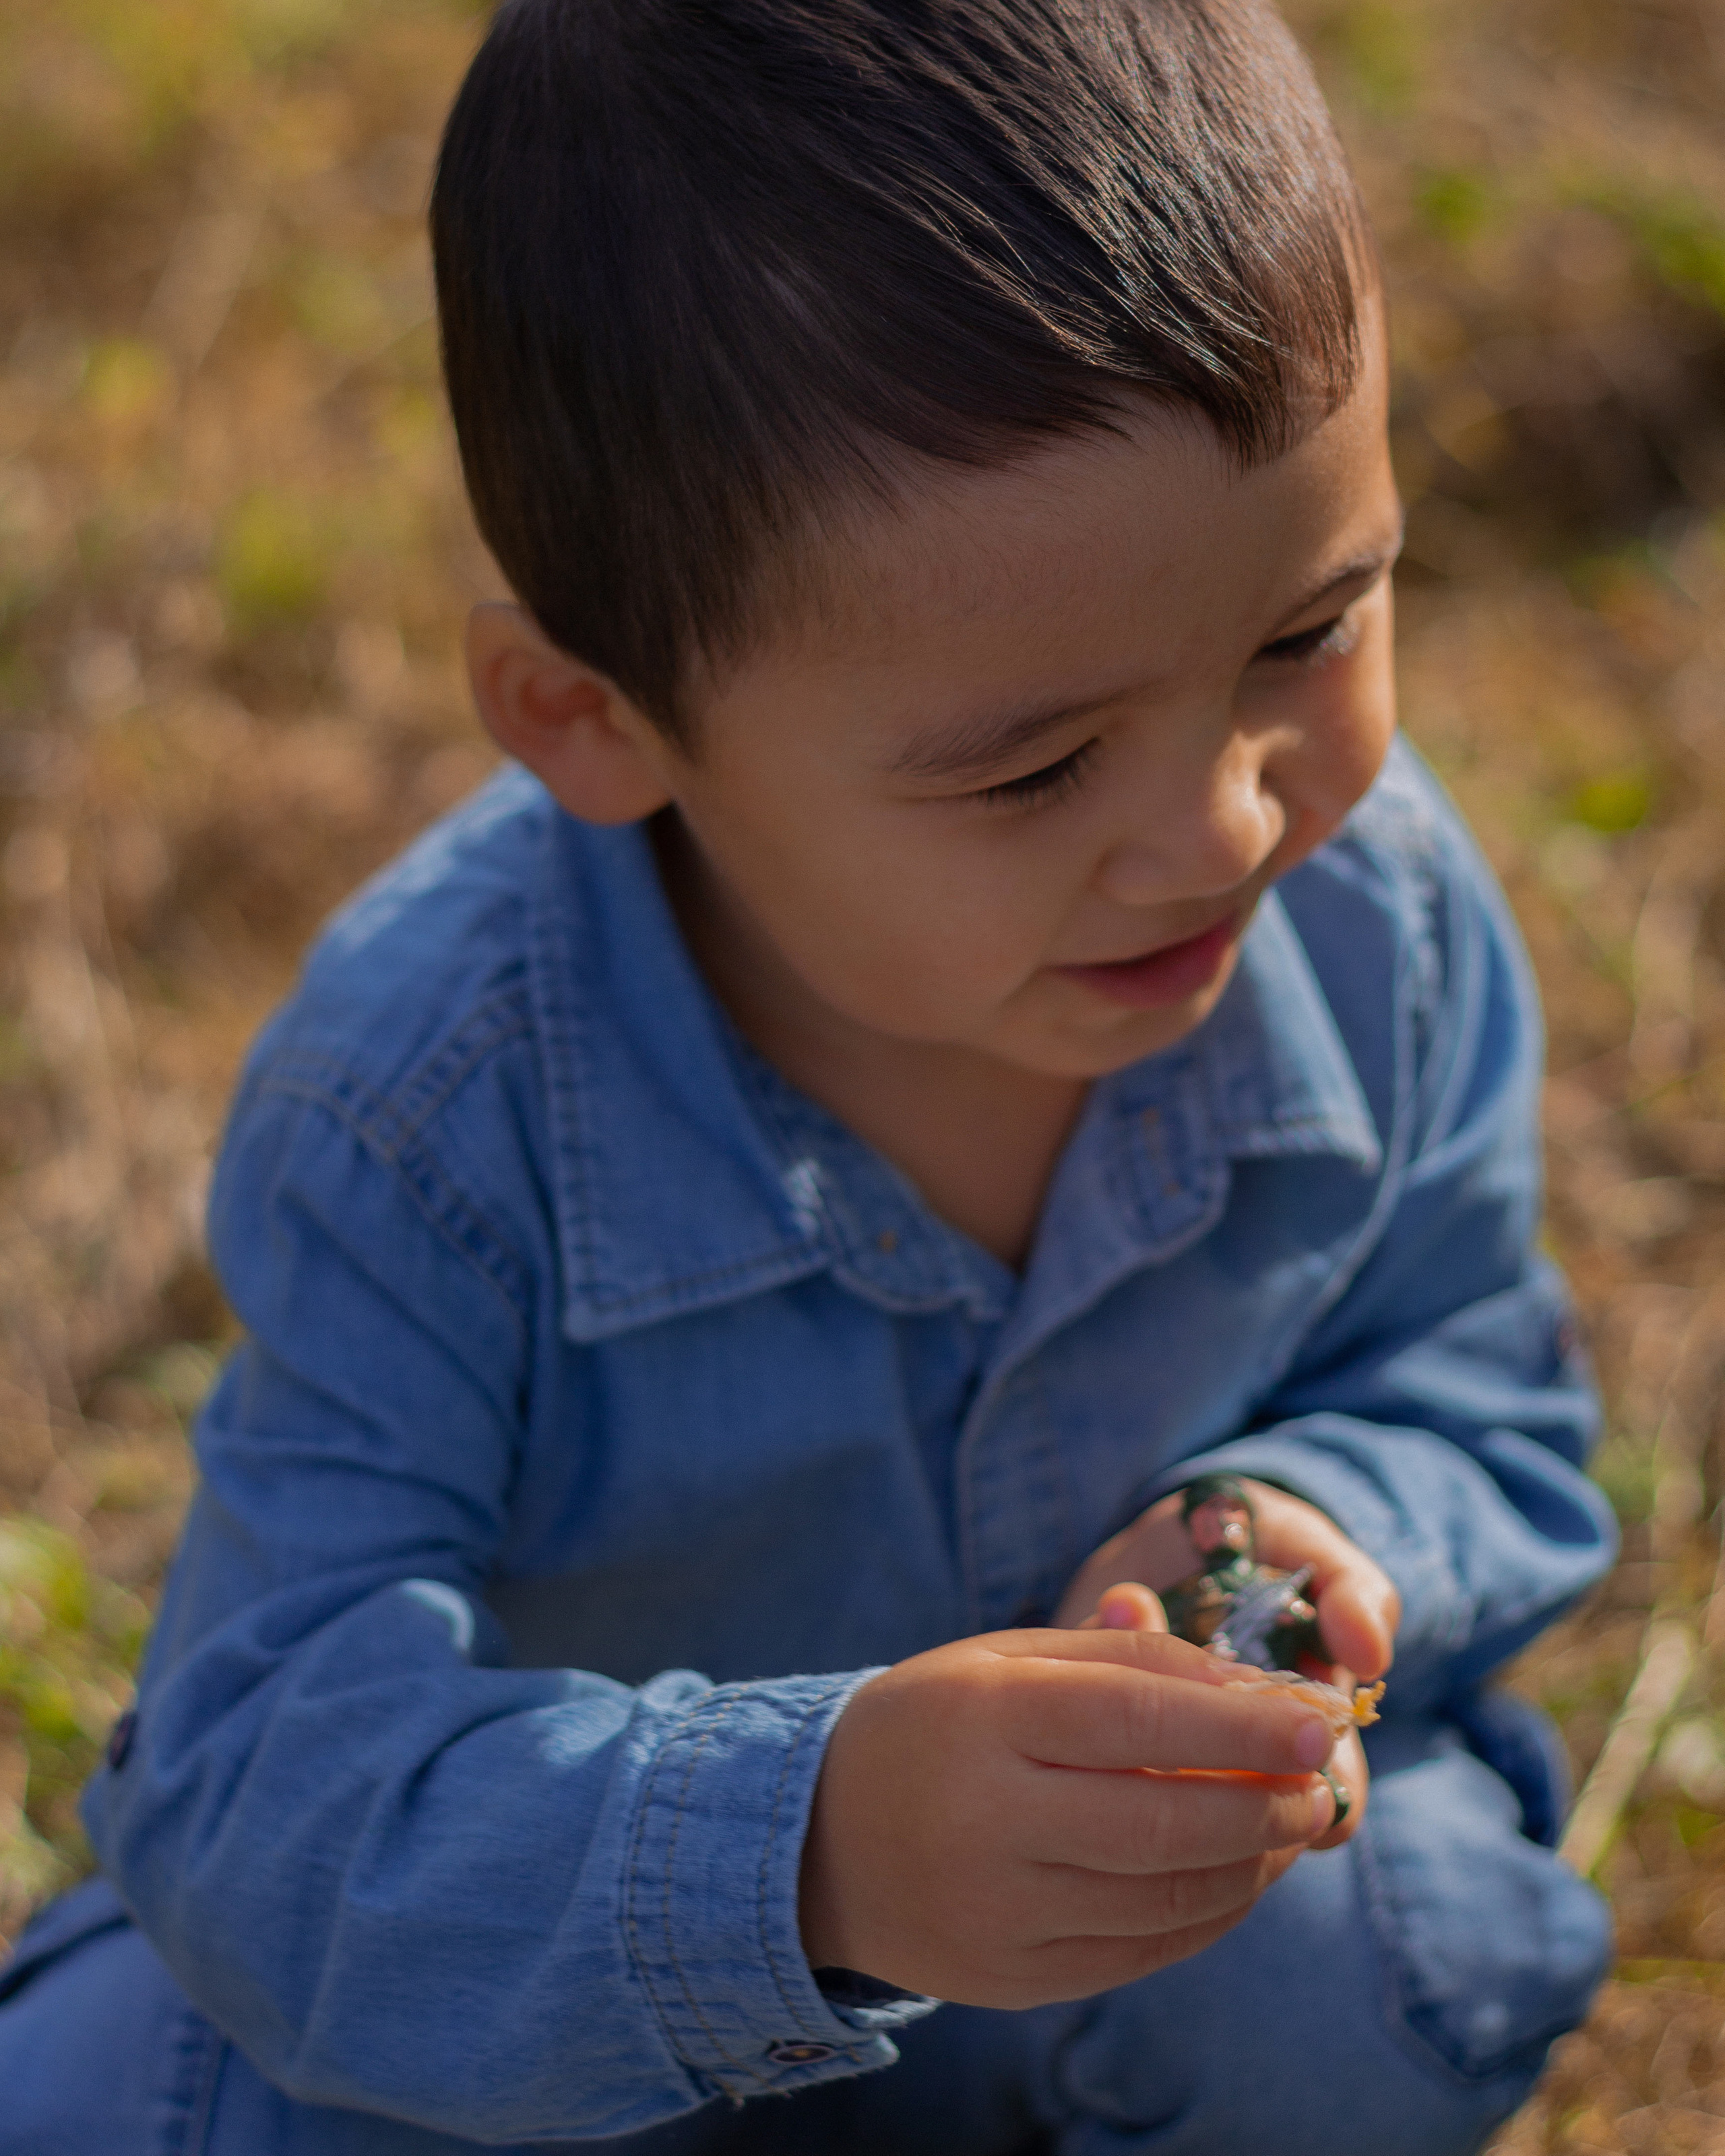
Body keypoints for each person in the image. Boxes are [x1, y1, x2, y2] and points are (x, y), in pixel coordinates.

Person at [0, 3, 1617, 2151]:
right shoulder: (431, 1107)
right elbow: (260, 1777)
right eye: (1038, 765)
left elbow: (1481, 1395)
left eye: (1308, 635)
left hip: (1113, 1969)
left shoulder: (1374, 921)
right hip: (569, 2005)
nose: (1228, 824)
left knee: (1375, 1963)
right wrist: (815, 1844)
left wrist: (1320, 1515)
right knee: (109, 2093)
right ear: (591, 719)